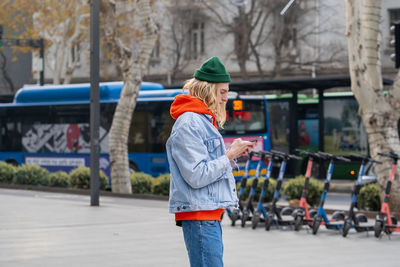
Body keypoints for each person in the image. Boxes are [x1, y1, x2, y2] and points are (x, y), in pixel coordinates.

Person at [166, 56, 255, 267]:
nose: (226, 98)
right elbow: (197, 175)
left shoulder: (200, 120)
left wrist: (231, 153)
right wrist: (230, 155)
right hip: (200, 215)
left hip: (206, 213)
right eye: (222, 92)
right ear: (207, 90)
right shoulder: (190, 122)